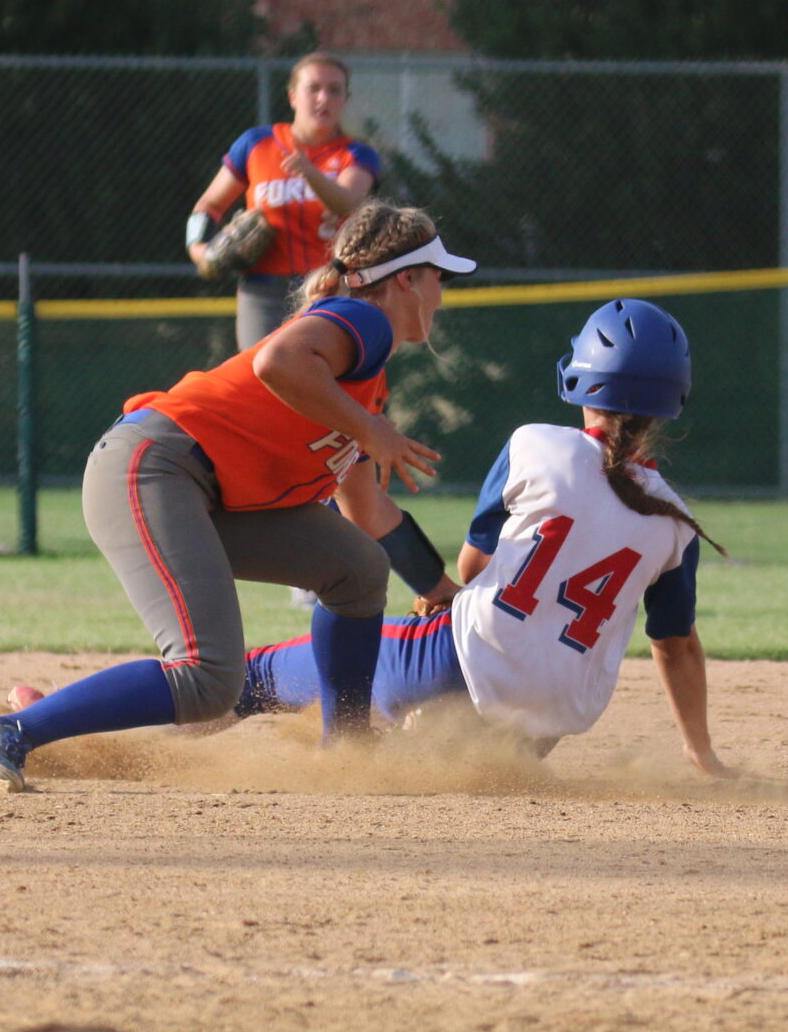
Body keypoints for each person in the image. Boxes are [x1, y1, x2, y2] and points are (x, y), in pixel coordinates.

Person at [0, 202, 474, 793]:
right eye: (437, 278)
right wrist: (375, 432)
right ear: (406, 278)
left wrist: (439, 588)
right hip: (152, 467)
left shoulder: (361, 390)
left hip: (204, 493)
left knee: (357, 568)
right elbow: (278, 360)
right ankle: (7, 732)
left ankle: (348, 747)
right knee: (208, 677)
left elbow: (368, 513)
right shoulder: (361, 322)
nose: (441, 297)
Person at [235, 299, 732, 779]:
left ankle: (167, 737)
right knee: (416, 761)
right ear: (673, 401)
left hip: (451, 667)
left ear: (580, 377)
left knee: (259, 677)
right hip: (539, 729)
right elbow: (677, 647)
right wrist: (700, 750)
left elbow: (472, 569)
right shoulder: (676, 522)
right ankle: (407, 735)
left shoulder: (534, 444)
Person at [186, 52, 384, 350]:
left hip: (329, 288)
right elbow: (208, 206)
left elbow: (348, 203)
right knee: (259, 380)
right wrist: (198, 250)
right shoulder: (257, 144)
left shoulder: (356, 155)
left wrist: (310, 173)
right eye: (313, 88)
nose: (323, 98)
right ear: (293, 96)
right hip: (262, 290)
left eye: (334, 90)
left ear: (345, 98)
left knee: (319, 381)